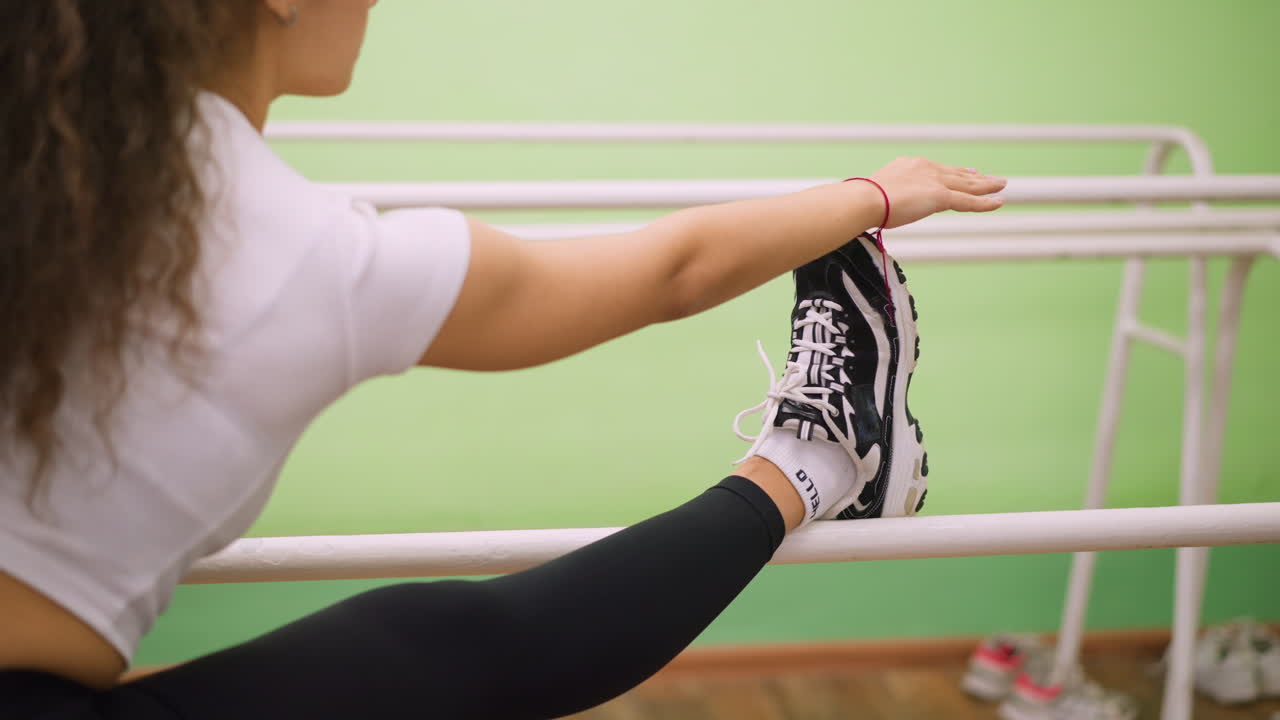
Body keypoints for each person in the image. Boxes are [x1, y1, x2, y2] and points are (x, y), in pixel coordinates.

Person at [0, 2, 1006, 718]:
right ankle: (821, 463)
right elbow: (672, 274)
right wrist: (874, 193)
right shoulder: (292, 250)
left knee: (396, 643)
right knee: (453, 647)